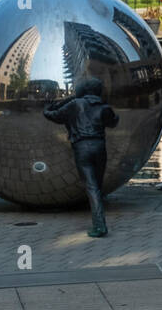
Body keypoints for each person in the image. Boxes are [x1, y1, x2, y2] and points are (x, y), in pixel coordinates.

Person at [43, 79, 120, 238]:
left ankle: (100, 226)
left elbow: (54, 116)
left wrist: (47, 108)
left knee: (92, 188)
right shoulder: (104, 107)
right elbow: (113, 122)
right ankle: (98, 221)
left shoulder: (76, 104)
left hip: (82, 147)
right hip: (100, 147)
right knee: (96, 186)